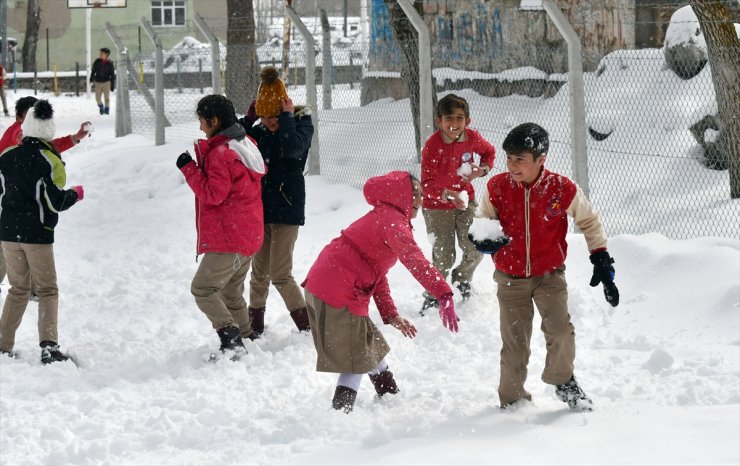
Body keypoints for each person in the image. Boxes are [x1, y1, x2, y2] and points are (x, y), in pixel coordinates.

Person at [474, 122, 620, 411]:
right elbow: (484, 219)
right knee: (515, 343)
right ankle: (512, 397)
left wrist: (601, 257)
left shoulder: (561, 188)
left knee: (561, 331)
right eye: (509, 158)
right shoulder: (497, 186)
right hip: (510, 278)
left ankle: (563, 381)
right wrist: (481, 237)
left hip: (549, 275)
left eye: (520, 159)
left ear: (541, 160)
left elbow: (589, 221)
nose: (512, 165)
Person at [302, 171, 459, 413]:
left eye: (421, 194)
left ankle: (389, 392)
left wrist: (391, 314)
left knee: (366, 342)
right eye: (415, 194)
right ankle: (339, 414)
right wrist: (442, 292)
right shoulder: (393, 221)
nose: (420, 199)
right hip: (337, 288)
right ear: (402, 196)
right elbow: (414, 259)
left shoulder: (387, 216)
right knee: (355, 357)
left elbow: (377, 272)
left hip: (330, 282)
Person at [176, 94, 266, 358]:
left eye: (203, 122)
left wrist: (189, 168)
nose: (200, 127)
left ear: (214, 121)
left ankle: (231, 340)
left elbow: (213, 194)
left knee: (203, 289)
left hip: (229, 237)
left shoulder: (221, 153)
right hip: (249, 234)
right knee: (230, 291)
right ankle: (247, 337)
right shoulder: (245, 143)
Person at [0, 99, 84, 364]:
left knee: (17, 289)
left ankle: (3, 344)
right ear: (48, 130)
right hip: (37, 234)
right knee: (47, 290)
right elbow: (55, 201)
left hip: (8, 234)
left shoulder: (7, 157)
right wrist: (76, 194)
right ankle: (49, 347)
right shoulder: (49, 161)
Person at [237, 66, 314, 338]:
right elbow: (233, 143)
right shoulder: (259, 130)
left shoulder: (300, 124)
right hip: (262, 209)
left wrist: (287, 118)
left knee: (280, 273)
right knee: (258, 273)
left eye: (274, 116)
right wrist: (248, 120)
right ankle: (254, 325)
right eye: (265, 117)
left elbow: (292, 148)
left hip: (287, 209)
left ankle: (307, 327)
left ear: (284, 109)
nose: (270, 123)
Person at [0, 96, 91, 298]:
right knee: (16, 242)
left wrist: (74, 138)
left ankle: (29, 289)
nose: (37, 118)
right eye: (32, 114)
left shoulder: (25, 134)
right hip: (11, 198)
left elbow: (46, 146)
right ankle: (32, 289)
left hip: (11, 199)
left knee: (11, 242)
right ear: (21, 116)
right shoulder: (19, 132)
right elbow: (38, 150)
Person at [420, 93, 496, 312]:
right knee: (444, 254)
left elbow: (489, 152)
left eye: (459, 118)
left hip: (466, 201)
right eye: (449, 119)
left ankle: (462, 278)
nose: (454, 124)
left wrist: (482, 170)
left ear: (467, 121)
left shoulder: (472, 138)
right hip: (437, 206)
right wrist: (446, 193)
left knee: (475, 246)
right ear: (439, 121)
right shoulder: (432, 146)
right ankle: (435, 292)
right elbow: (426, 183)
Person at [89, 47, 115, 115]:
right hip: (98, 82)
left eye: (102, 53)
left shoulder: (110, 64)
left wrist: (112, 86)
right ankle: (101, 106)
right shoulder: (97, 61)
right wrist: (91, 78)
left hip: (107, 82)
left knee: (107, 98)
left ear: (106, 54)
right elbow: (93, 71)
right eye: (100, 53)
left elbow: (112, 75)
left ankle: (107, 109)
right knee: (97, 98)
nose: (100, 54)